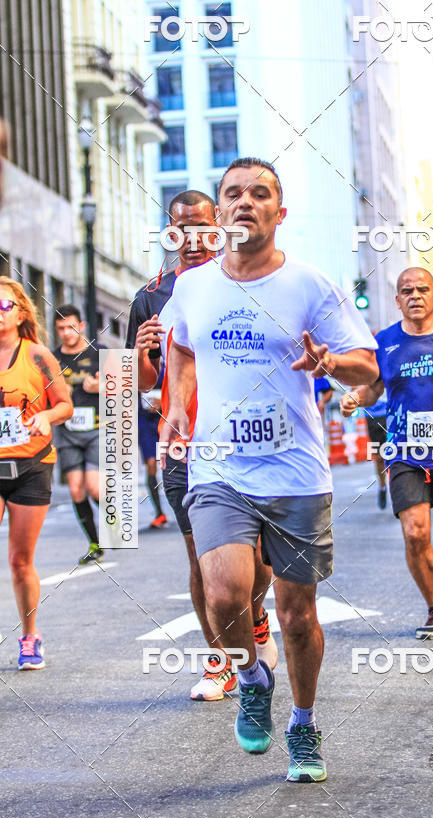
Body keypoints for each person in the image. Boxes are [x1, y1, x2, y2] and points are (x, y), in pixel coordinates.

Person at [162, 158, 378, 782]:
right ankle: (253, 674)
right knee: (225, 590)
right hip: (219, 468)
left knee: (297, 615)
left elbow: (368, 368)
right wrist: (177, 403)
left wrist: (332, 360)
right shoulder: (195, 286)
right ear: (220, 211)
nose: (245, 203)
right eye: (234, 194)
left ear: (279, 214)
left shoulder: (310, 285)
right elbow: (180, 343)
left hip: (295, 474)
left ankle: (304, 724)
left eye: (260, 194)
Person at [126, 188, 277, 702]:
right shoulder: (150, 296)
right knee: (201, 558)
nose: (191, 239)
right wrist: (145, 353)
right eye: (179, 228)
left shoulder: (242, 281)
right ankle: (222, 660)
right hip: (185, 442)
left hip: (244, 439)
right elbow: (142, 382)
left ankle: (255, 616)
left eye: (201, 227)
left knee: (259, 558)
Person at [341, 268, 433, 640]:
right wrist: (356, 398)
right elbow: (372, 390)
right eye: (407, 291)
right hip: (404, 452)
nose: (415, 295)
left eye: (422, 289)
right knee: (415, 532)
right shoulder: (383, 342)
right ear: (398, 300)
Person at [0, 277, 73, 669]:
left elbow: (65, 405)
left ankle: (30, 636)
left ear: (20, 313)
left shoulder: (38, 355)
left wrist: (45, 416)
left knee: (18, 559)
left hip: (31, 464)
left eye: (3, 307)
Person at [53, 305, 104, 565]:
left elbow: (128, 386)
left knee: (94, 487)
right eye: (61, 328)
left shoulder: (100, 353)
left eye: (71, 327)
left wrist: (102, 386)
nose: (66, 333)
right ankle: (95, 543)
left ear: (81, 325)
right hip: (67, 431)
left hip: (97, 429)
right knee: (75, 490)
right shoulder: (51, 360)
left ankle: (112, 515)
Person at [137, 378, 167, 528]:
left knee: (172, 462)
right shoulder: (133, 367)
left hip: (166, 418)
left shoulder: (166, 364)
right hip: (145, 423)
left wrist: (163, 402)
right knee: (150, 465)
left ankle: (183, 507)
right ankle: (159, 512)